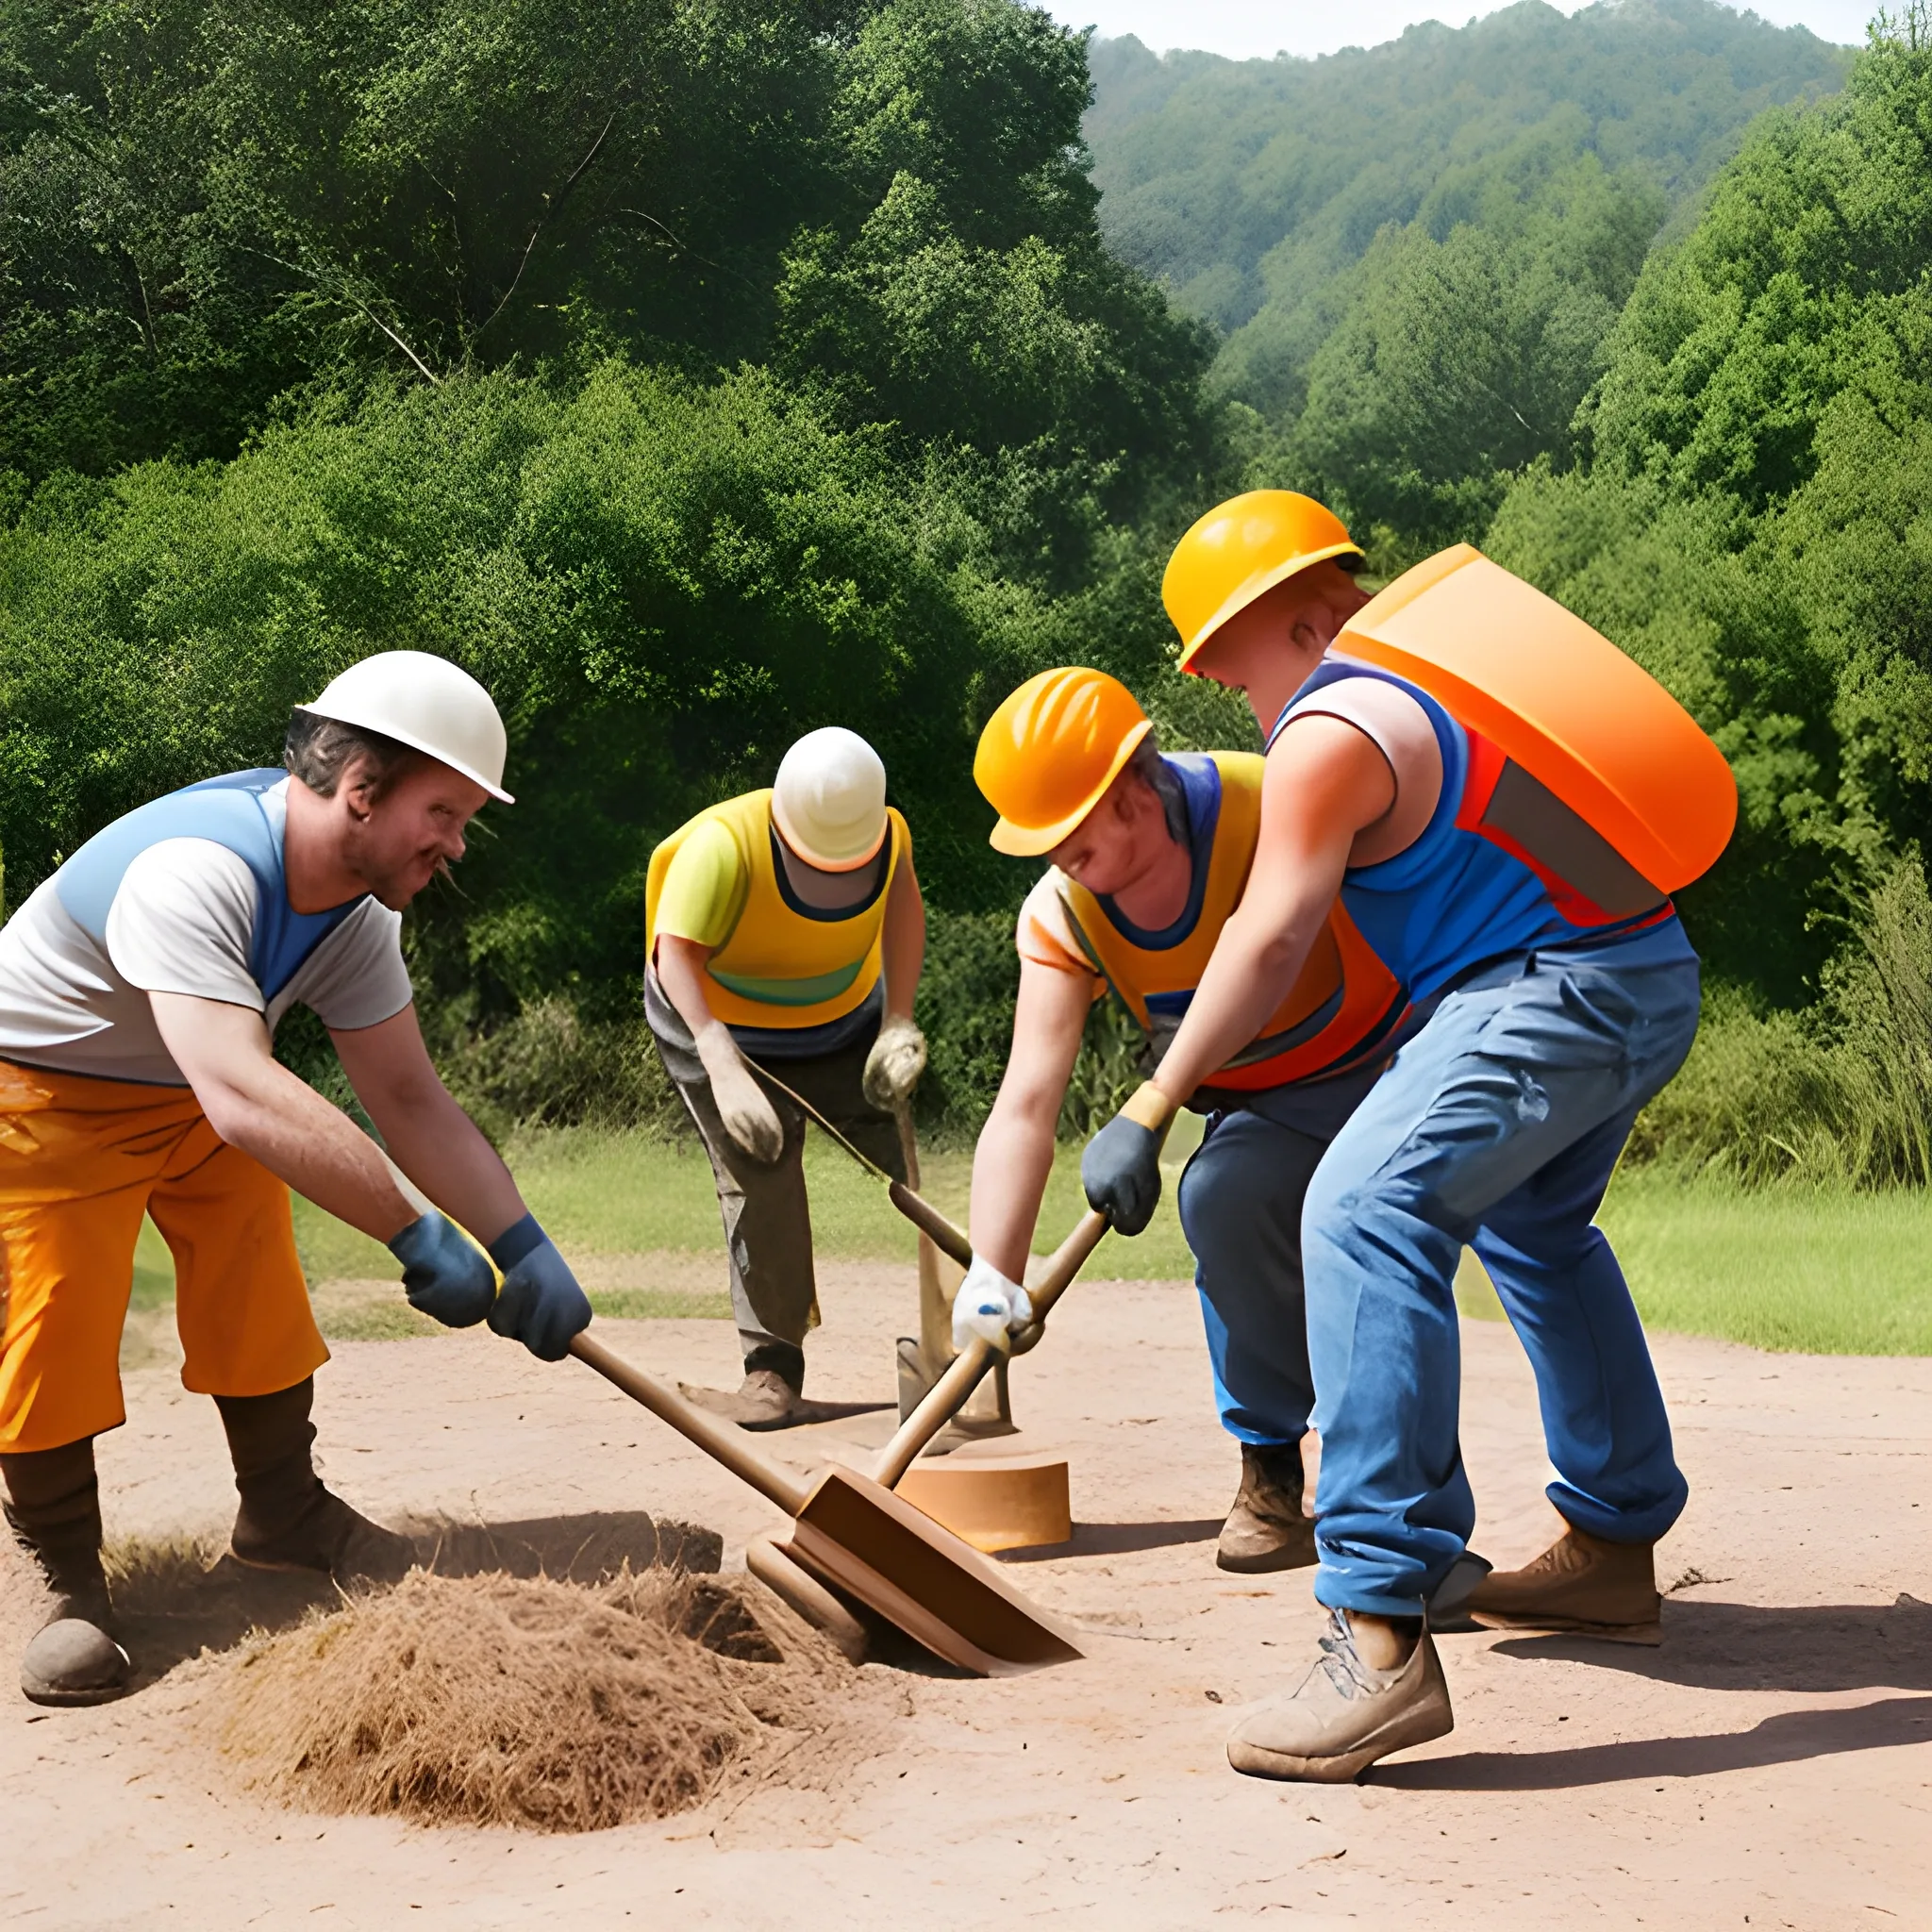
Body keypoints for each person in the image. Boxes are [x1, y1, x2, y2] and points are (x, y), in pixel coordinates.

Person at [1079, 491, 1733, 1782]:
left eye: (1234, 668)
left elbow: (1268, 939)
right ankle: (1611, 1546)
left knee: (1361, 1209)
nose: (1237, 703)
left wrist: (1151, 1107)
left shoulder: (1331, 724)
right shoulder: (1435, 684)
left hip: (1556, 985)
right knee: (1540, 1229)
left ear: (1302, 619)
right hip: (1643, 971)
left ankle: (1377, 1635)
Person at [0, 650, 593, 1708]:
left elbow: (409, 1097)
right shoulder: (198, 869)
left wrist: (520, 1242)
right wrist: (414, 1233)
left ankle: (282, 1518)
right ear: (360, 789)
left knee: (254, 1279)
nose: (455, 844)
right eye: (443, 811)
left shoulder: (357, 917)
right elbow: (240, 1086)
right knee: (55, 1314)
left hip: (192, 1092)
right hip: (43, 1098)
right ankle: (68, 1580)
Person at [960, 666, 1410, 1571]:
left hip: (1396, 1059)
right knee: (1219, 1198)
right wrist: (990, 1270)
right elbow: (1027, 1101)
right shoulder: (1063, 915)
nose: (1054, 857)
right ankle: (1272, 1471)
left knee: (1376, 1232)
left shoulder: (1269, 798)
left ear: (1133, 785)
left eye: (1067, 831)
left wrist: (1151, 1107)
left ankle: (1415, 1514)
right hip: (1262, 1098)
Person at [644, 728, 927, 1428]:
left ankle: (964, 1339)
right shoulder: (724, 845)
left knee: (912, 1159)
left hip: (835, 1018)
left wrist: (897, 1019)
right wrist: (719, 1059)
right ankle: (772, 1373)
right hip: (716, 1023)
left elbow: (902, 910)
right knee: (761, 1163)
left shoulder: (888, 833)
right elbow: (675, 955)